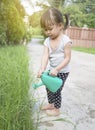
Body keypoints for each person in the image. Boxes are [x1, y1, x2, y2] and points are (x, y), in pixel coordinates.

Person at [37, 8, 72, 116]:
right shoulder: (47, 41)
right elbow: (45, 55)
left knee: (56, 89)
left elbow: (67, 58)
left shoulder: (65, 41)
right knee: (48, 87)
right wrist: (42, 69)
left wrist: (57, 69)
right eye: (45, 29)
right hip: (52, 70)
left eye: (50, 28)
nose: (47, 32)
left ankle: (57, 109)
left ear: (60, 25)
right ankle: (51, 104)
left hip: (62, 71)